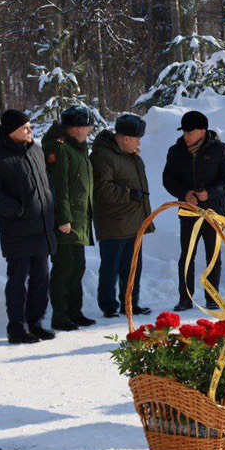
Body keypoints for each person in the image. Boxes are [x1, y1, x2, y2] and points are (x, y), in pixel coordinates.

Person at [0, 110, 57, 344]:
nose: (31, 132)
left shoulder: (35, 150)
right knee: (18, 279)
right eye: (26, 128)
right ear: (11, 131)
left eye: (30, 127)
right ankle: (17, 327)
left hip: (42, 227)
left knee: (41, 278)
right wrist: (19, 210)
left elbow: (47, 183)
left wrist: (51, 206)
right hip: (18, 231)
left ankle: (36, 323)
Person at [162, 110, 225, 311]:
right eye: (184, 132)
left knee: (213, 255)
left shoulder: (220, 149)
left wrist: (209, 193)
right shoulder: (175, 151)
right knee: (187, 255)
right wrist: (185, 194)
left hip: (214, 211)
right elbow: (168, 179)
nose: (186, 136)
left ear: (202, 131)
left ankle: (212, 297)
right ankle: (185, 297)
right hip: (189, 212)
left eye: (190, 132)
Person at [90, 114, 154, 318]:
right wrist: (128, 194)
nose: (139, 142)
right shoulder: (103, 155)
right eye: (137, 138)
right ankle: (108, 305)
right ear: (125, 138)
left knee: (133, 265)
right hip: (114, 222)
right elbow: (101, 188)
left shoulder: (132, 155)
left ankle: (130, 302)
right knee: (111, 266)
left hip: (134, 221)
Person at [42, 105, 96, 331]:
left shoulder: (79, 147)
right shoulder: (59, 148)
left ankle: (75, 312)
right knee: (64, 268)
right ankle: (60, 316)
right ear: (75, 128)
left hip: (80, 219)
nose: (91, 130)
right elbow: (58, 187)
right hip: (66, 221)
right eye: (87, 126)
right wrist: (63, 218)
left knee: (78, 267)